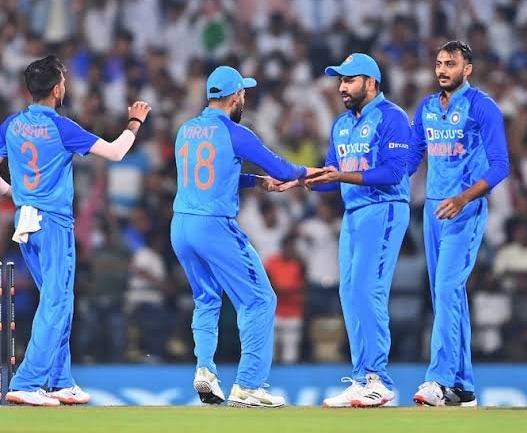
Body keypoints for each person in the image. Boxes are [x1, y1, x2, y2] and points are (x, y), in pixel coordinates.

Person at [0, 55, 151, 406]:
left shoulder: (12, 124)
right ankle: (27, 382)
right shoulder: (62, 127)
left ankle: (60, 381)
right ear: (57, 89)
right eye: (64, 83)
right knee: (56, 301)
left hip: (25, 221)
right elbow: (115, 153)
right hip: (53, 223)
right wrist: (134, 122)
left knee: (58, 300)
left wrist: (12, 191)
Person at [170, 65, 324, 408]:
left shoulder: (185, 130)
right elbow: (282, 169)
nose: (245, 99)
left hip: (181, 225)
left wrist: (255, 181)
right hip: (214, 225)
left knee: (206, 299)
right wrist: (306, 174)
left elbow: (208, 175)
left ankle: (205, 369)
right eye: (244, 93)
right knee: (260, 300)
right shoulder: (236, 133)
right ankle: (249, 385)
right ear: (236, 96)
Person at [282, 53, 411, 408]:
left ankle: (379, 380)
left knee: (369, 290)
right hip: (353, 214)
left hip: (383, 209)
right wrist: (298, 179)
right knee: (350, 294)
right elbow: (331, 174)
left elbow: (394, 172)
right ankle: (361, 379)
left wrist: (340, 176)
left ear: (371, 82)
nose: (341, 87)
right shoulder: (341, 124)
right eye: (340, 80)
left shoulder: (392, 117)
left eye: (349, 80)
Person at [406, 41, 509, 406]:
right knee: (447, 296)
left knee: (448, 289)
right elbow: (411, 157)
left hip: (465, 209)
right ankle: (463, 387)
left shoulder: (482, 106)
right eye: (438, 63)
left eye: (450, 63)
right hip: (433, 210)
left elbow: (500, 165)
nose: (442, 69)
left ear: (467, 69)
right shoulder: (427, 107)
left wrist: (464, 198)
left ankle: (439, 379)